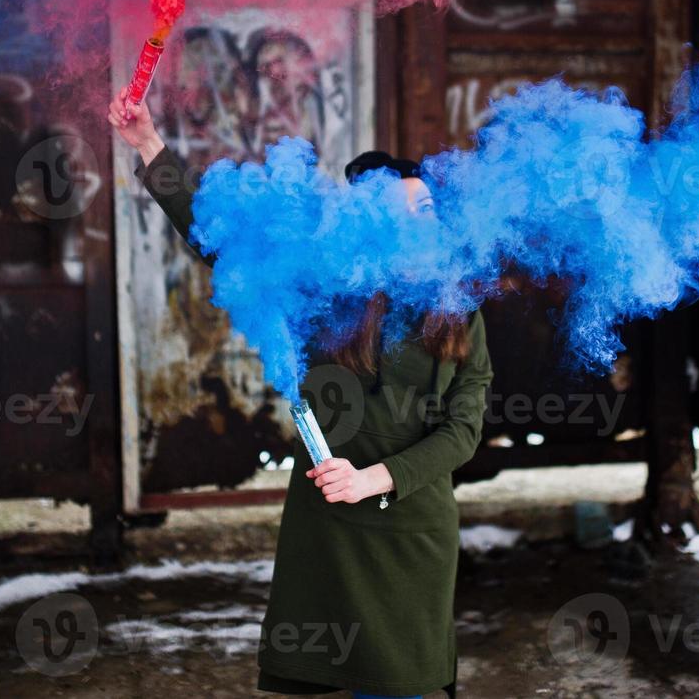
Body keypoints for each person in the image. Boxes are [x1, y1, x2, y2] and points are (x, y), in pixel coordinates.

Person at [108, 87, 493, 699]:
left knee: (404, 684)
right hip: (330, 527)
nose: (415, 218)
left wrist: (374, 478)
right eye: (397, 208)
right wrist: (151, 147)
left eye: (426, 208)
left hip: (413, 529)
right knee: (329, 673)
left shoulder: (460, 312)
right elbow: (224, 245)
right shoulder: (329, 291)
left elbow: (462, 432)